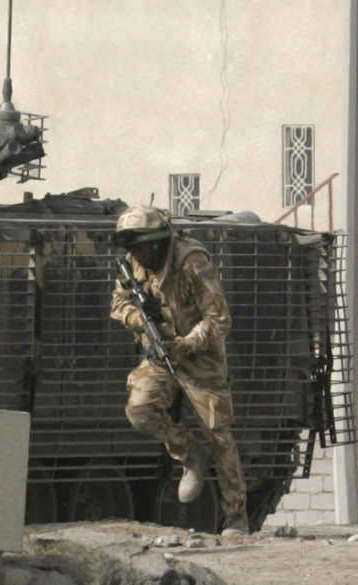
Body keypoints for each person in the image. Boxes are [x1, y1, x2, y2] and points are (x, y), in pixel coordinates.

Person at [109, 205, 248, 536]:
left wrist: (185, 344)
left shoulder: (191, 261)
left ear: (157, 242)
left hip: (199, 357)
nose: (138, 254)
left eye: (142, 246)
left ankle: (237, 518)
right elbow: (118, 304)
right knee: (139, 410)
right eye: (132, 248)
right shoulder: (133, 263)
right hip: (160, 352)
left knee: (219, 435)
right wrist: (139, 318)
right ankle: (190, 454)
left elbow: (219, 319)